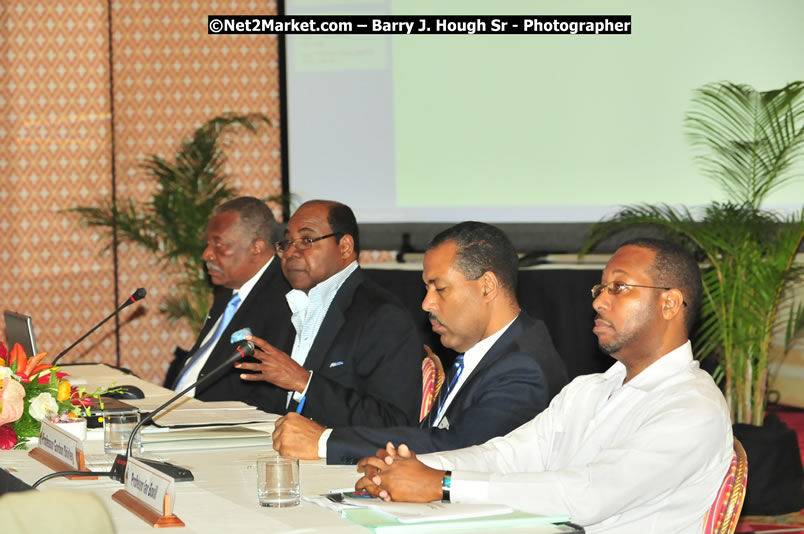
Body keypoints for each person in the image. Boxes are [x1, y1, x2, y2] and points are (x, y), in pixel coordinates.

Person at [355, 238, 733, 534]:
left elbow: (588, 494)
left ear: (670, 303)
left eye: (619, 288)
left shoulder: (691, 408)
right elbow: (506, 456)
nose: (599, 301)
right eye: (599, 288)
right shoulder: (589, 390)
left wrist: (444, 485)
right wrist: (409, 467)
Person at [272, 221, 568, 464]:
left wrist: (325, 441)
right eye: (426, 288)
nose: (426, 303)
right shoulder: (485, 349)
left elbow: (460, 450)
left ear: (487, 286)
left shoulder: (523, 367)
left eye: (440, 289)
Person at [235, 200, 422, 426]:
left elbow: (392, 421)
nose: (291, 252)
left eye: (307, 240)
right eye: (286, 242)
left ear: (344, 246)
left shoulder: (383, 317)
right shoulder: (287, 309)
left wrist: (304, 382)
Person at [167, 197, 293, 413]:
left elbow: (268, 396)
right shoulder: (230, 290)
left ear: (257, 247)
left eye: (219, 244)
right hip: (181, 415)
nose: (206, 254)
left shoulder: (284, 299)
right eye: (208, 243)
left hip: (216, 426)